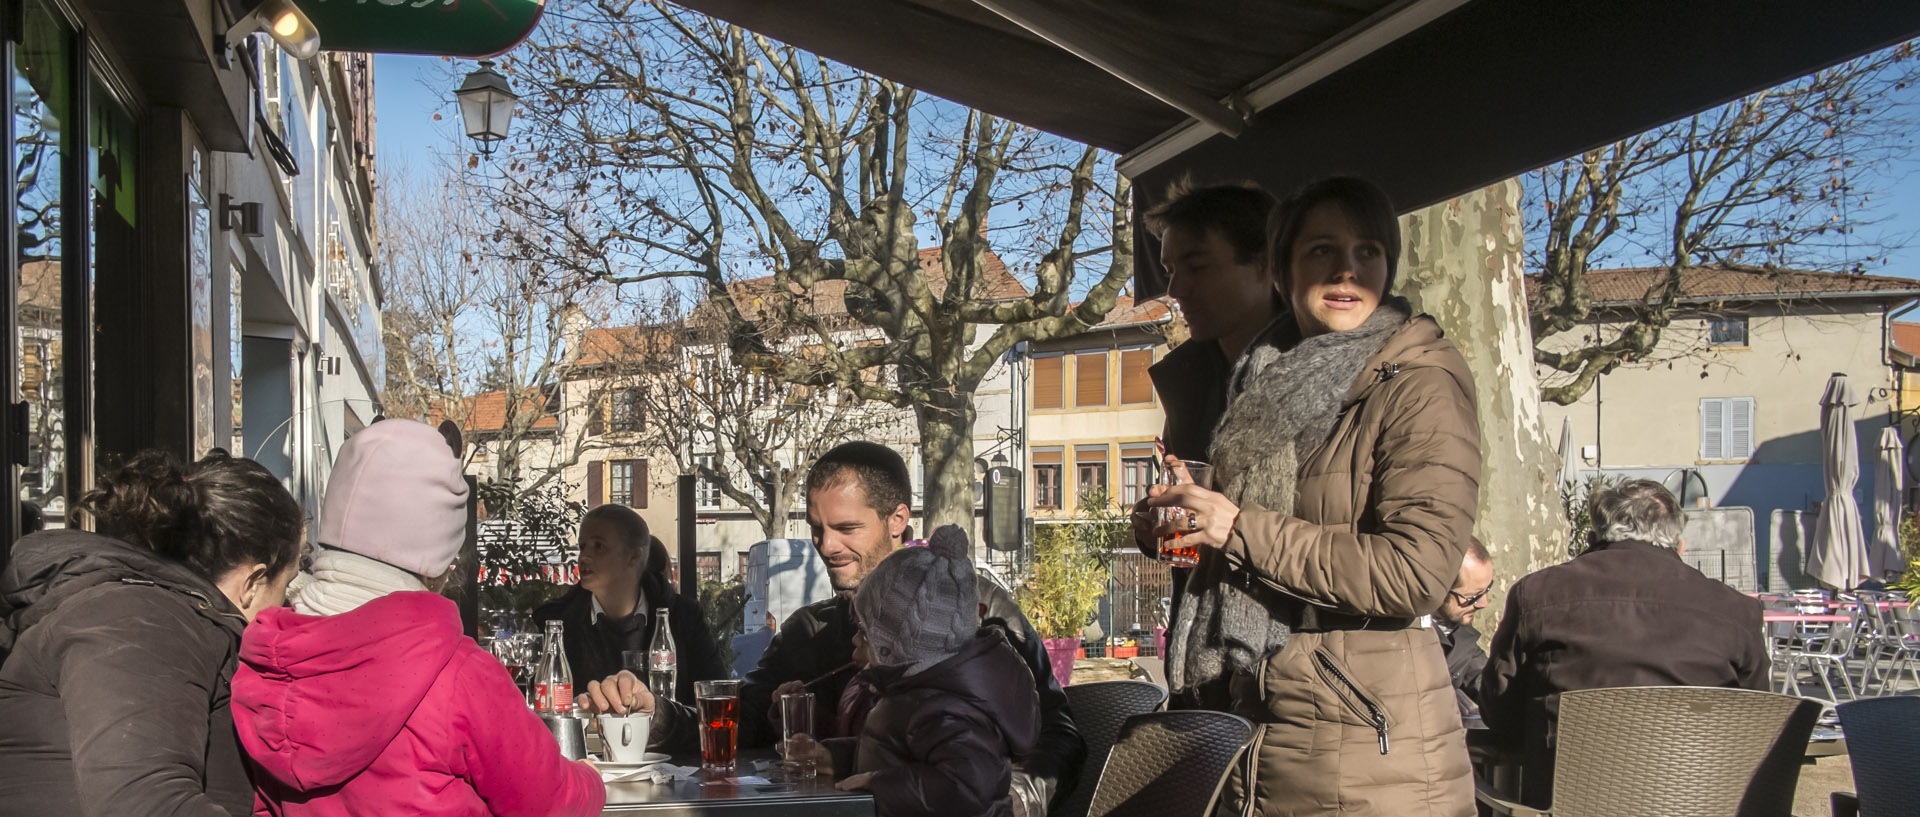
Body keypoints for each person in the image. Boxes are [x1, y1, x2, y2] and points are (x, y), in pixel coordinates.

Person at [1141, 176, 1481, 815]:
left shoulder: (1418, 382)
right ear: (1284, 267)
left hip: (1367, 739)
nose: (1347, 269)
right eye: (1323, 250)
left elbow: (1418, 574)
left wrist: (1236, 527)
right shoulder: (1266, 379)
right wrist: (1187, 515)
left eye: (1369, 251)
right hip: (1266, 724)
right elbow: (1272, 532)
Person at [576, 441, 1085, 817]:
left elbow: (1057, 729)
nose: (826, 546)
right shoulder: (811, 627)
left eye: (846, 529)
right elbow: (743, 719)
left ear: (897, 520)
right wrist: (659, 714)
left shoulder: (976, 607)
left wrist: (1011, 803)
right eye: (817, 529)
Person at [231, 419, 605, 817]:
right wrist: (591, 777)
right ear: (439, 562)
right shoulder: (460, 675)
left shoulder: (264, 657)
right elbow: (550, 803)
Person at [0, 449, 303, 817]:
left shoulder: (155, 616)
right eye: (286, 587)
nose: (286, 608)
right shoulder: (142, 620)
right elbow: (147, 804)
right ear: (253, 581)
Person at [1480, 479, 1767, 807]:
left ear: (1593, 537)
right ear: (1679, 545)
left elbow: (1500, 711)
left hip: (1569, 804)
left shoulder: (1538, 594)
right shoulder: (1736, 610)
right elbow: (1757, 722)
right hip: (1696, 804)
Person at [1130, 181, 1280, 650]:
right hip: (1201, 658)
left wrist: (1231, 527)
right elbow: (1185, 540)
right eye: (1171, 270)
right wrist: (1157, 526)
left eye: (1196, 266)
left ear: (1265, 263)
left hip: (1294, 661)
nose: (1175, 289)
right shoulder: (1188, 382)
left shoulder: (1328, 377)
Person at [830, 525, 1039, 817]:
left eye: (865, 634)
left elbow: (967, 785)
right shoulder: (920, 695)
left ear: (898, 648)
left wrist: (881, 785)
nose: (854, 640)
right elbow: (899, 756)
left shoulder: (945, 709)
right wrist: (832, 756)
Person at [534, 508, 725, 704]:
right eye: (583, 546)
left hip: (662, 734)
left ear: (633, 557)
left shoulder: (683, 617)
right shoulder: (556, 621)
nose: (584, 557)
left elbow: (714, 697)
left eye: (599, 546)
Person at [1436, 538, 1494, 720]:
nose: (1484, 603)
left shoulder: (1458, 632)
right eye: (1473, 596)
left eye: (1487, 589)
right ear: (1437, 589)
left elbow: (1484, 680)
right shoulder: (1398, 638)